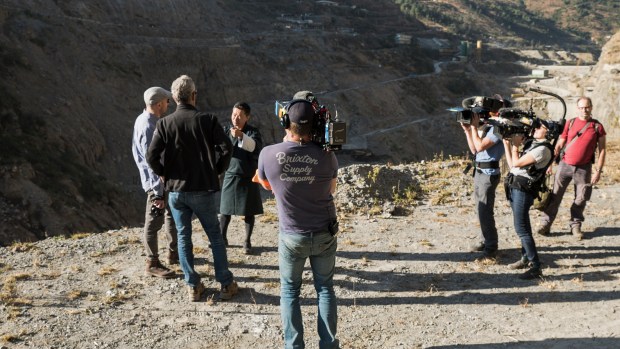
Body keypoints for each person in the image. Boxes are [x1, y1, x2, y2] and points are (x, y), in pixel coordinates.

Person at [146, 75, 238, 302]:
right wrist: (217, 169)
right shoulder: (208, 120)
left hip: (176, 191)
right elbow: (227, 148)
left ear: (175, 98)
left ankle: (193, 286)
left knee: (183, 237)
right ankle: (226, 284)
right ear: (194, 96)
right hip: (203, 188)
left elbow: (151, 156)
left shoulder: (164, 124)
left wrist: (163, 173)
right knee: (215, 236)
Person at [257, 97, 339, 349]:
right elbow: (331, 190)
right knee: (324, 288)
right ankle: (328, 345)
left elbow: (267, 184)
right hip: (324, 232)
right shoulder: (327, 157)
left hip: (291, 235)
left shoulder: (268, 154)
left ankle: (293, 346)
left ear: (285, 122)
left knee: (290, 291)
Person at [536, 97, 607, 240]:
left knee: (581, 198)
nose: (584, 110)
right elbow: (559, 144)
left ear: (591, 108)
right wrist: (549, 164)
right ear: (577, 108)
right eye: (581, 107)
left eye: (587, 107)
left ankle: (575, 226)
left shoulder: (597, 127)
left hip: (584, 168)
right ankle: (545, 225)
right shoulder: (571, 122)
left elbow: (603, 150)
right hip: (564, 165)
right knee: (555, 196)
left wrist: (598, 171)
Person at [131, 86, 178, 278]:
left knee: (169, 215)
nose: (169, 103)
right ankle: (152, 262)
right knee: (153, 222)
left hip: (160, 181)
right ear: (159, 104)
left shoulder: (145, 120)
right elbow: (152, 161)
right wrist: (158, 191)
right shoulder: (149, 126)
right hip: (156, 183)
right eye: (167, 101)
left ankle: (173, 253)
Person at [503, 120, 556, 279]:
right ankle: (525, 258)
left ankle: (536, 266)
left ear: (548, 133)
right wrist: (508, 144)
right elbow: (513, 166)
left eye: (541, 127)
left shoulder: (543, 149)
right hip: (516, 187)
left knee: (521, 228)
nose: (536, 128)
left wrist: (515, 146)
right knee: (523, 225)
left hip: (523, 190)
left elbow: (518, 162)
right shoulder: (533, 145)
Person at [460, 96, 510, 260]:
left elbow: (481, 145)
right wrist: (468, 130)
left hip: (489, 174)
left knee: (485, 212)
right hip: (479, 172)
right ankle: (484, 240)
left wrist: (474, 127)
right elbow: (475, 150)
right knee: (480, 210)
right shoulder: (489, 127)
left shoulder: (499, 128)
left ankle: (491, 247)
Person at [219, 102, 264, 255]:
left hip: (248, 176)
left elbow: (254, 146)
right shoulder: (226, 130)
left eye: (239, 116)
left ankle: (247, 240)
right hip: (231, 174)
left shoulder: (252, 132)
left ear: (247, 117)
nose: (235, 118)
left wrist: (240, 136)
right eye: (234, 115)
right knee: (225, 210)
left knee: (249, 211)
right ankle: (221, 238)